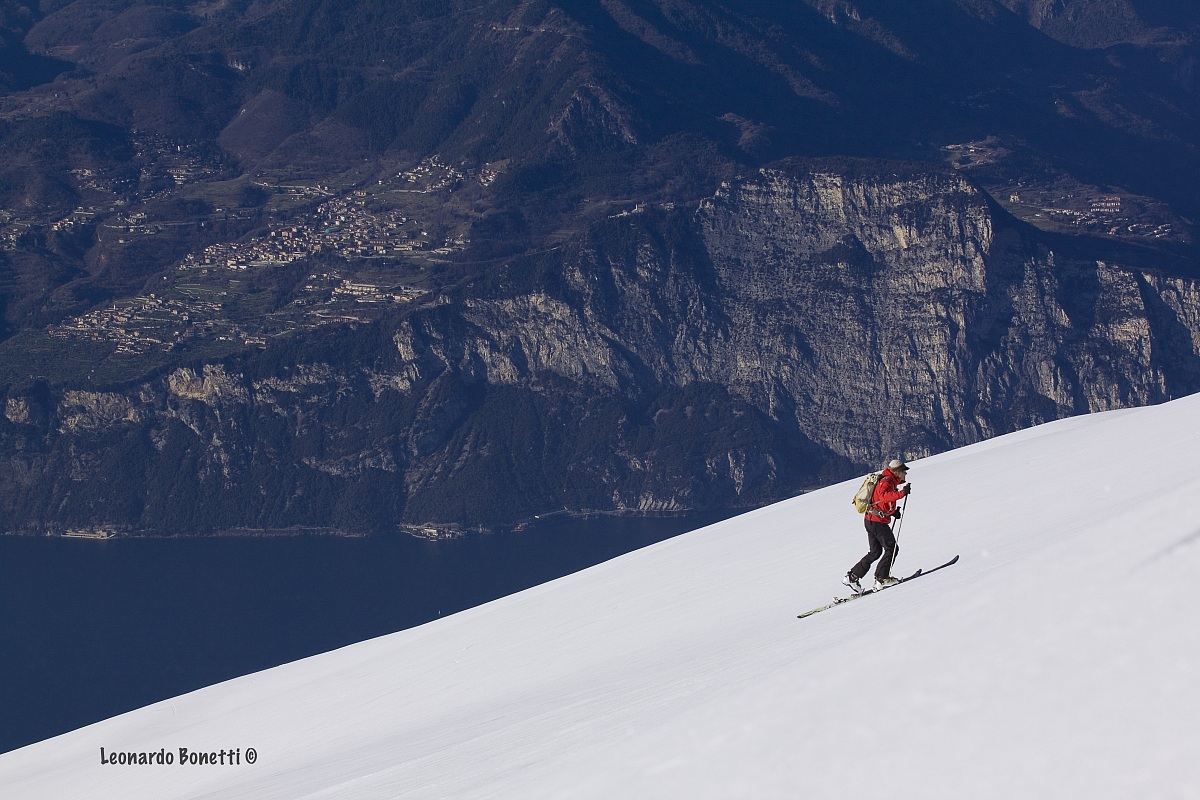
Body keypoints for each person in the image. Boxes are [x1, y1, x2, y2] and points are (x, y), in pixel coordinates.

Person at [843, 459, 912, 593]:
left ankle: (852, 577)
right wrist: (902, 494)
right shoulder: (886, 481)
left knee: (875, 552)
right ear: (897, 472)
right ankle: (881, 579)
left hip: (871, 520)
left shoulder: (887, 481)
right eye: (904, 471)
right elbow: (885, 497)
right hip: (877, 523)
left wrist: (892, 512)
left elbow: (880, 502)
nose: (905, 474)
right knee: (892, 549)